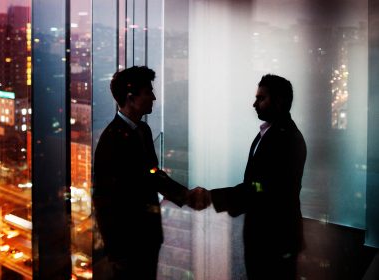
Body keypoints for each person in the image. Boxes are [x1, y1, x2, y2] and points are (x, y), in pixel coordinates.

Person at [92, 66, 208, 279]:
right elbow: (103, 201)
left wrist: (184, 195)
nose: (154, 97)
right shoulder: (111, 141)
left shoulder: (142, 131)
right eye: (148, 92)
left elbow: (152, 174)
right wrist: (116, 252)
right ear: (131, 98)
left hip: (147, 236)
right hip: (127, 246)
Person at [207, 74, 307, 279]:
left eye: (261, 98)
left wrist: (211, 197)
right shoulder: (270, 134)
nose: (254, 104)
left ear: (278, 101)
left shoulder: (286, 139)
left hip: (274, 241)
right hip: (267, 239)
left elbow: (261, 187)